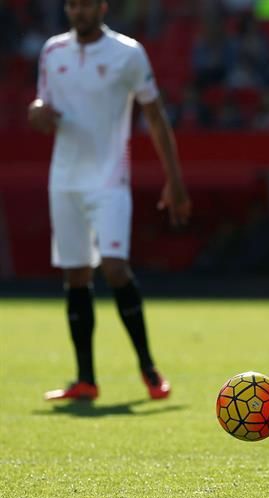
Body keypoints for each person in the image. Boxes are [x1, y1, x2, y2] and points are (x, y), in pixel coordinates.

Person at [28, 0, 191, 402]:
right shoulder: (52, 51)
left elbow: (154, 114)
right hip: (64, 180)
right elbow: (42, 103)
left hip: (110, 179)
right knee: (76, 276)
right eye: (73, 5)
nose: (79, 12)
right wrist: (36, 113)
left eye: (86, 5)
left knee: (116, 268)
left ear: (102, 7)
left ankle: (149, 369)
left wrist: (174, 179)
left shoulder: (128, 53)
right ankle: (85, 379)